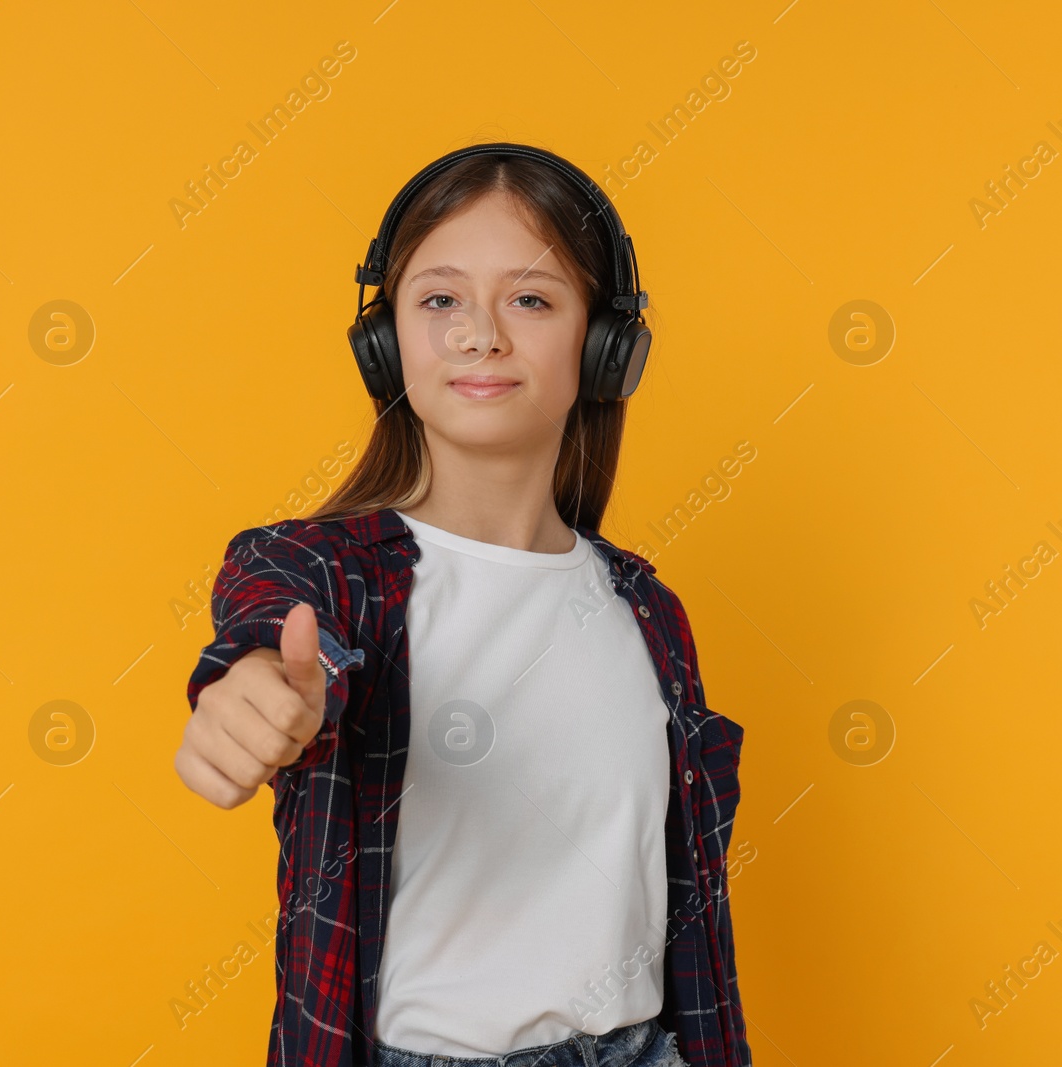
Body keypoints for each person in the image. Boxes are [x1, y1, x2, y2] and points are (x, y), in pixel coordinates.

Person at [176, 143, 750, 1067]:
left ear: (606, 348)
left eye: (530, 298)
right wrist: (250, 697)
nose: (480, 334)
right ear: (385, 341)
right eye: (440, 300)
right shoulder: (322, 570)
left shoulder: (649, 610)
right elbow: (267, 640)